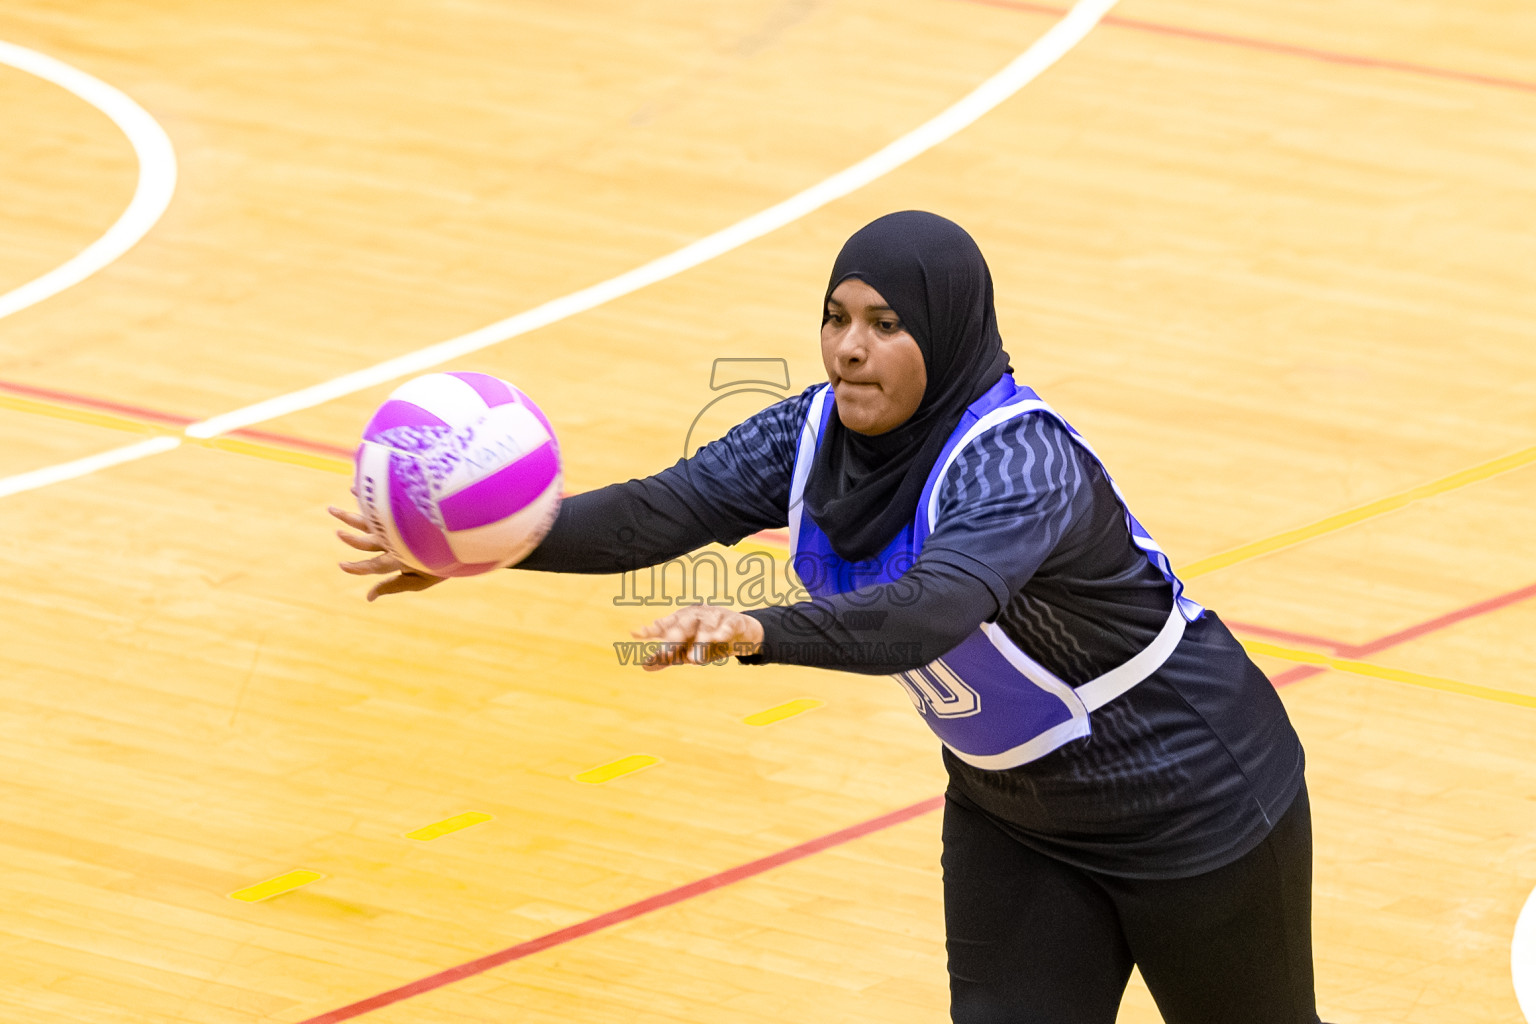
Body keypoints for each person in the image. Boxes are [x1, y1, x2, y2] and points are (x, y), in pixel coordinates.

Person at [331, 211, 1323, 1023]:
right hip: (1016, 816)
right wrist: (491, 538)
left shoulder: (1021, 466)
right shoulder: (807, 433)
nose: (851, 349)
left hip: (1194, 799)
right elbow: (657, 510)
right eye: (836, 317)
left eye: (887, 323)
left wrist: (765, 632)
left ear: (947, 330)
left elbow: (929, 610)